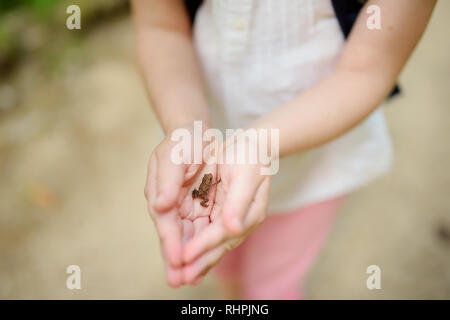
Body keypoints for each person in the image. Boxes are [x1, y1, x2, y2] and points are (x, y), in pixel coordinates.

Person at [131, 0, 436, 299]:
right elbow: (161, 27)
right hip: (210, 134)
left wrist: (255, 143)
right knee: (222, 263)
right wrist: (186, 128)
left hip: (316, 165)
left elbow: (368, 70)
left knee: (272, 283)